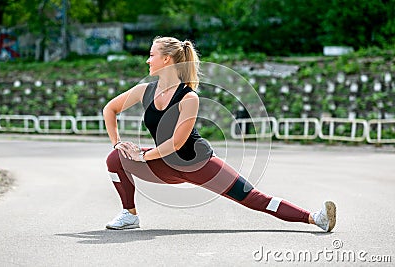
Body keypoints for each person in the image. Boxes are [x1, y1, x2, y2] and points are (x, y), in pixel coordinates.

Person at [103, 36, 336, 232]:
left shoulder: (188, 98)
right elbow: (110, 109)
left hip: (198, 163)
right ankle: (129, 214)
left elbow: (176, 143)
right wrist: (118, 144)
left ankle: (315, 218)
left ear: (167, 59)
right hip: (163, 163)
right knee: (115, 159)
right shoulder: (145, 90)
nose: (148, 59)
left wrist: (142, 156)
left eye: (151, 55)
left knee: (253, 197)